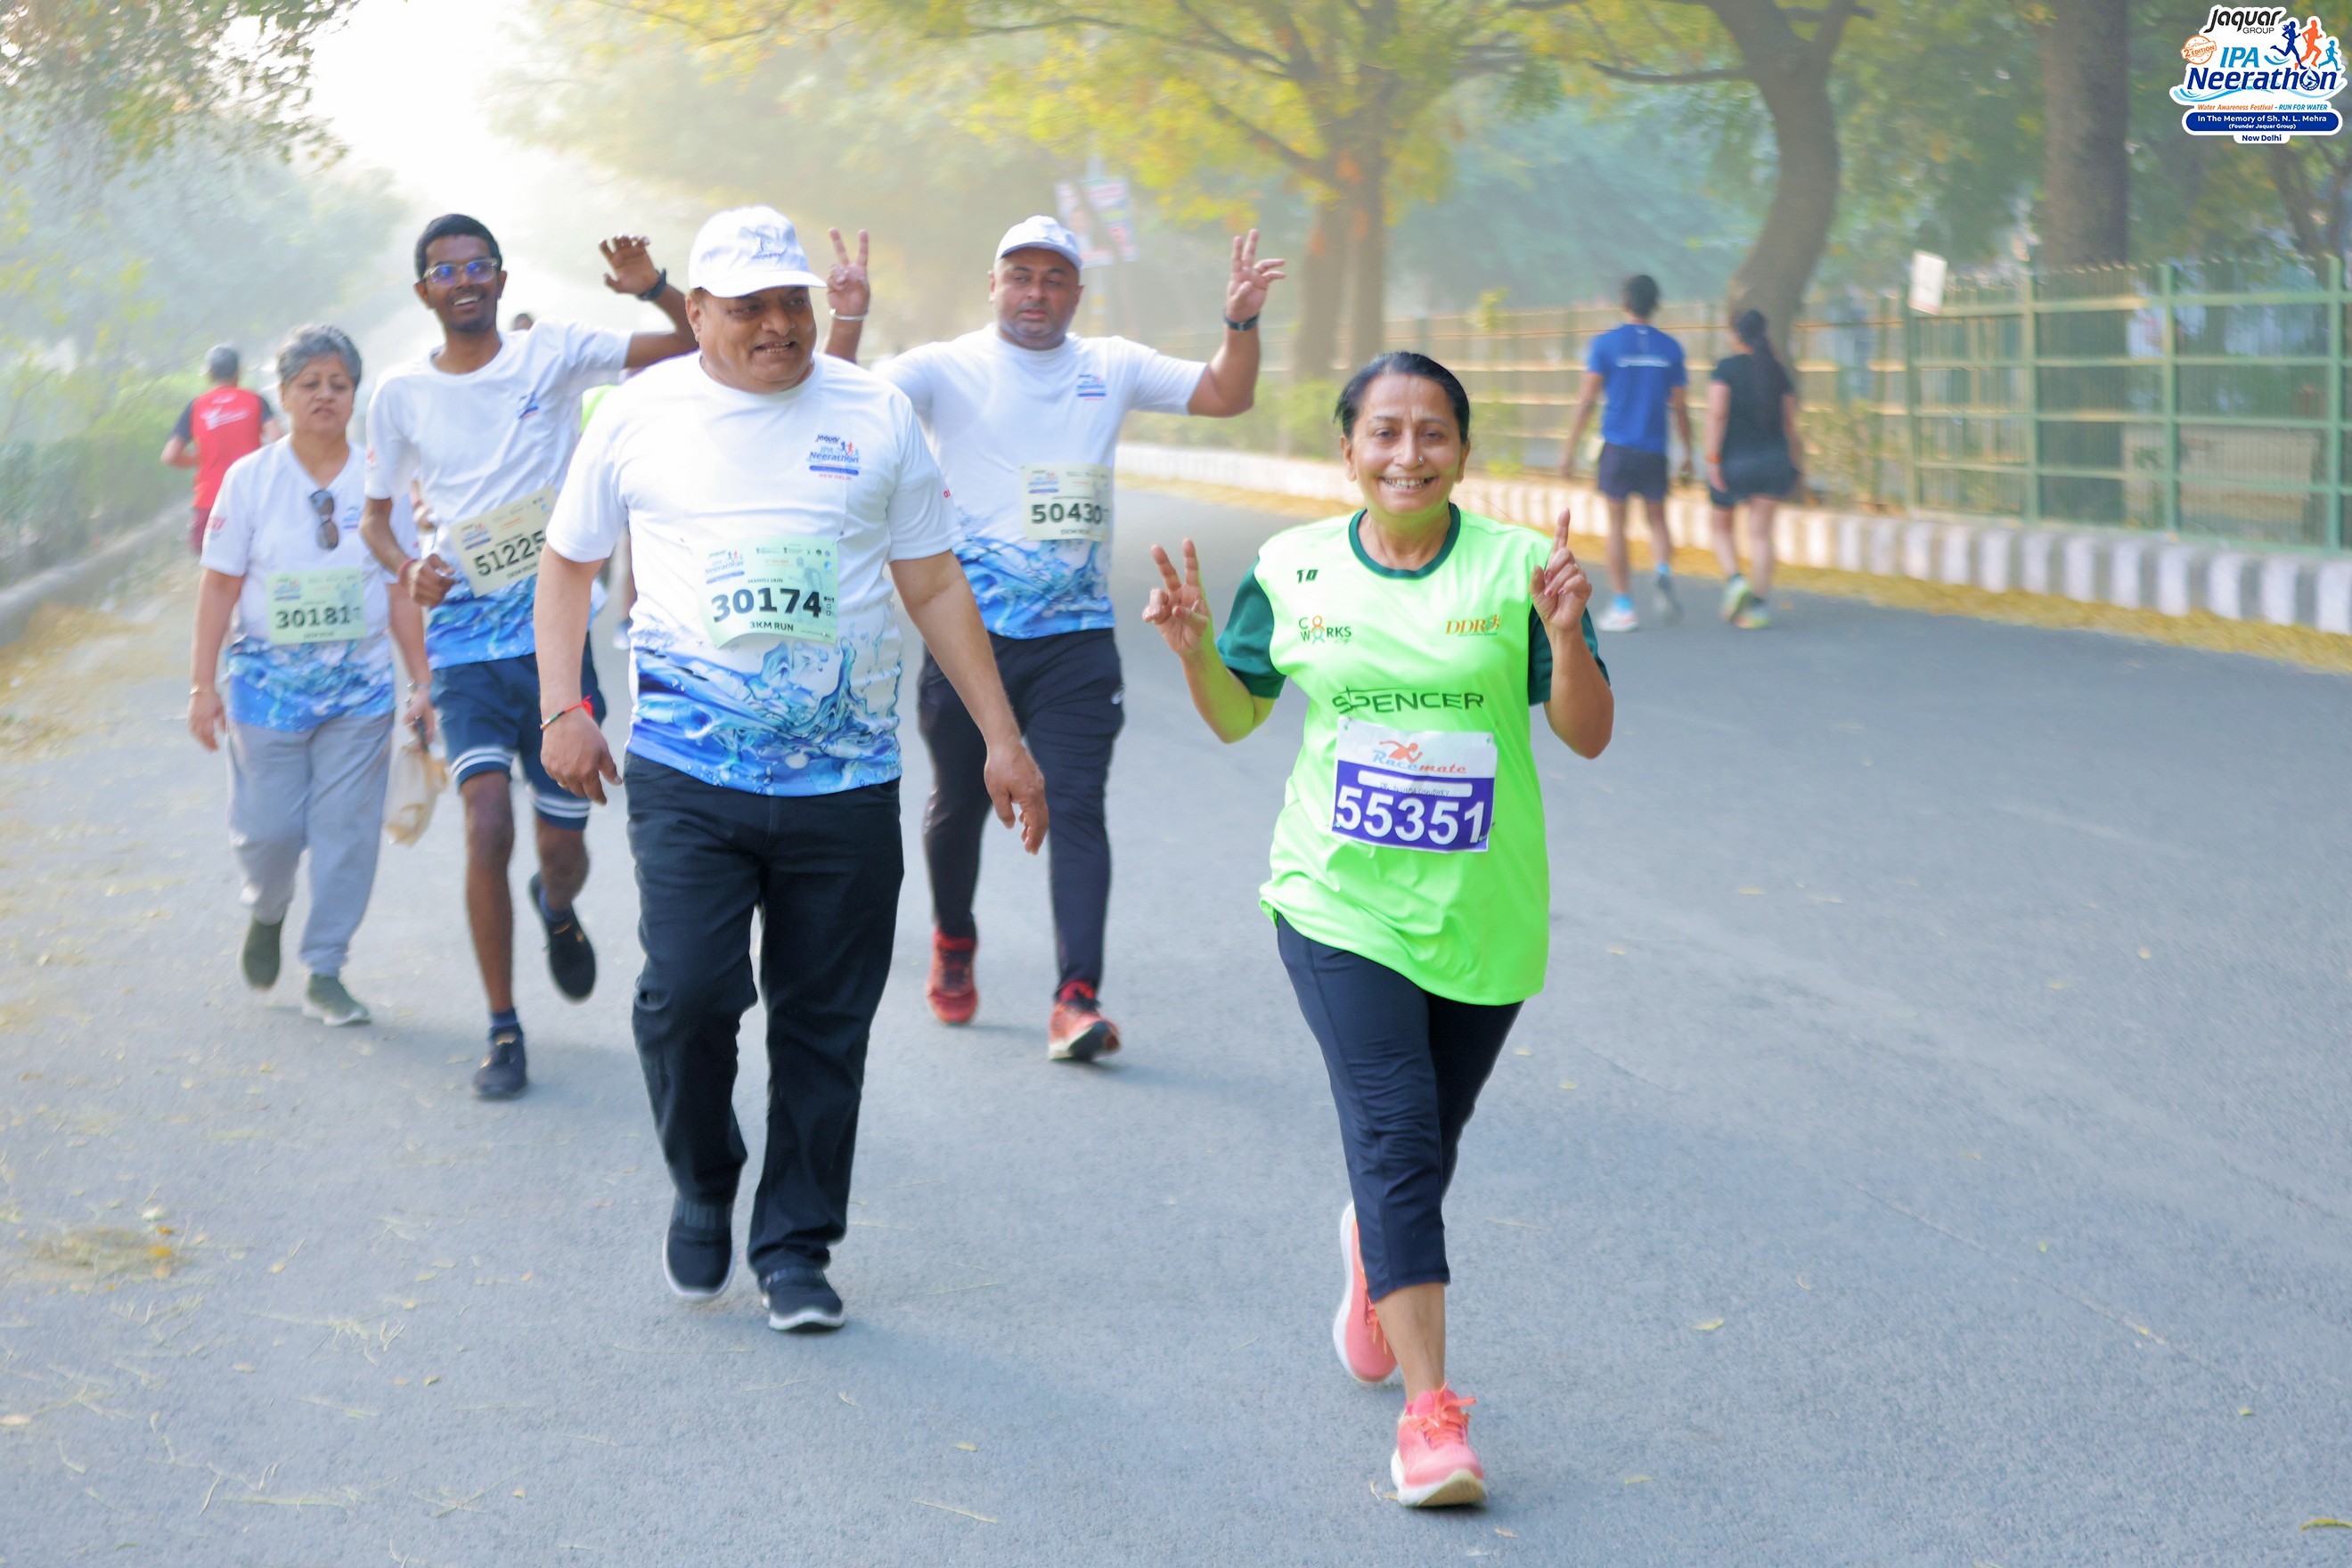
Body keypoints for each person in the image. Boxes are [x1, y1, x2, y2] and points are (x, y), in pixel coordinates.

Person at [534, 205, 1048, 1332]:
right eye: (749, 306)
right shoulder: (637, 412)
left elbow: (933, 581)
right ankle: (703, 1176)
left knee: (825, 1023)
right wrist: (565, 706)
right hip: (689, 771)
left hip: (845, 781)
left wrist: (1002, 739)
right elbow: (567, 564)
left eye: (791, 303)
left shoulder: (874, 412)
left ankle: (797, 1245)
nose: (777, 324)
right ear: (697, 311)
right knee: (686, 996)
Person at [1141, 352, 1612, 1507]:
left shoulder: (1519, 568)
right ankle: (1429, 1419)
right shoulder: (1291, 568)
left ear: (1464, 450)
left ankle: (1373, 1255)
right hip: (1337, 901)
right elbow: (1239, 717)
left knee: (1423, 1146)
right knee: (1398, 1135)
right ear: (1348, 449)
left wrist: (1567, 633)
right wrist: (1196, 652)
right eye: (1385, 433)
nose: (1409, 454)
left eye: (1432, 432)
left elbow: (1589, 733)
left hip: (1484, 912)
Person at [853, 216, 1284, 1060]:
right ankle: (954, 936)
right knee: (958, 806)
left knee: (1078, 806)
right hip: (970, 639)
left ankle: (1076, 998)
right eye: (1020, 275)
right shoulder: (944, 368)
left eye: (1054, 279)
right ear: (993, 284)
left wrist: (1240, 321)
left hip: (1076, 641)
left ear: (1077, 293)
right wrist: (848, 319)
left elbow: (1226, 394)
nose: (1036, 293)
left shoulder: (1110, 365)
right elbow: (846, 401)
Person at [356, 215, 707, 1099]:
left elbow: (696, 340)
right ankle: (503, 1028)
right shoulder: (399, 394)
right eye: (446, 270)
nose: (465, 279)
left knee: (560, 849)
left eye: (479, 265)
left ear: (502, 280)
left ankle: (556, 907)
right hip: (464, 645)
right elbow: (376, 518)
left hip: (554, 643)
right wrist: (407, 568)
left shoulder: (550, 353)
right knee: (486, 823)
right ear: (424, 291)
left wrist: (653, 285)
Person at [187, 326, 432, 1027]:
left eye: (338, 384)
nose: (324, 395)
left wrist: (421, 682)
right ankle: (267, 910)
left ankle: (326, 967)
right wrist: (203, 686)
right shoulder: (249, 480)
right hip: (266, 689)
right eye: (309, 384)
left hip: (360, 690)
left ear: (355, 395)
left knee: (347, 833)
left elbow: (399, 589)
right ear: (284, 395)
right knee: (267, 831)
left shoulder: (381, 482)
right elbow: (218, 586)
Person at [1559, 274, 1693, 633]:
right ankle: (1662, 569)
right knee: (1657, 519)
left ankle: (1623, 606)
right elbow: (1680, 407)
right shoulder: (1670, 349)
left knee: (1617, 525)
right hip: (1655, 449)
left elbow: (1587, 400)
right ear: (1656, 304)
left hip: (1617, 448)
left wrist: (1569, 449)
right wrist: (1687, 452)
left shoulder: (1606, 344)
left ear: (1625, 302)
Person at [1704, 308, 1807, 631]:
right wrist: (1796, 462)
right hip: (1773, 462)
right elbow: (1790, 423)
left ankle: (1735, 581)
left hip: (1734, 463)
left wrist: (1712, 459)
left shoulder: (1726, 368)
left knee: (1720, 527)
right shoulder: (1777, 371)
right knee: (1761, 534)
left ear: (1735, 335)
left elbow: (1717, 414)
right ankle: (1758, 608)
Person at [164, 346, 282, 556]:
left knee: (215, 566)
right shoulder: (255, 400)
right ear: (239, 371)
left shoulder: (196, 407)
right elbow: (278, 440)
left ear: (210, 374)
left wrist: (199, 459)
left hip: (211, 503)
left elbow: (170, 456)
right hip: (254, 497)